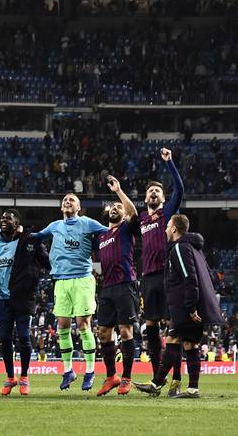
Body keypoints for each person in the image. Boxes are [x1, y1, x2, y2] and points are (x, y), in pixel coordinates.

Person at [134, 215, 225, 398]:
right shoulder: (193, 247)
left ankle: (157, 383)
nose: (166, 230)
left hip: (187, 307)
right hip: (195, 304)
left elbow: (189, 278)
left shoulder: (179, 248)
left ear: (174, 229)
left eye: (168, 226)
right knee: (190, 344)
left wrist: (191, 308)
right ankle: (192, 389)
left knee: (172, 340)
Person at [31, 193, 108, 391]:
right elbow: (36, 237)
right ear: (61, 207)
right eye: (65, 200)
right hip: (61, 281)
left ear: (78, 207)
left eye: (71, 200)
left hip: (82, 279)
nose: (67, 202)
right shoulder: (55, 226)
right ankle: (68, 371)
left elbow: (110, 233)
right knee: (62, 326)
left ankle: (90, 371)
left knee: (83, 324)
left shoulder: (88, 223)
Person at [0, 209, 49, 396]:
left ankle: (25, 377)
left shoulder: (29, 240)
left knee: (24, 337)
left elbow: (46, 261)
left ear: (17, 222)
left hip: (23, 296)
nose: (3, 220)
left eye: (8, 217)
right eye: (2, 217)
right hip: (0, 298)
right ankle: (10, 377)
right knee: (5, 338)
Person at [138, 148, 185, 396]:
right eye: (150, 191)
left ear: (164, 199)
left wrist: (169, 163)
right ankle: (158, 379)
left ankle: (176, 379)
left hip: (167, 276)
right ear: (145, 198)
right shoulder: (143, 220)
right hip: (148, 278)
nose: (154, 193)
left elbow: (180, 189)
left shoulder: (166, 213)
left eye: (158, 191)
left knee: (172, 328)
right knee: (151, 327)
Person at [95, 177, 139, 396]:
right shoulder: (101, 235)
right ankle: (112, 376)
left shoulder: (126, 229)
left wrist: (119, 191)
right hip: (107, 288)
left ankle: (127, 378)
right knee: (104, 332)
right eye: (112, 207)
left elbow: (133, 213)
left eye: (118, 207)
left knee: (125, 330)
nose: (115, 208)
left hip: (125, 285)